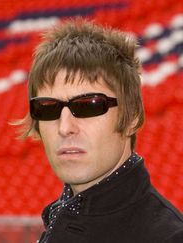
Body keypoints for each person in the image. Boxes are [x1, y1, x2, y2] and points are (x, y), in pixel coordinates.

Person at [17, 19, 183, 243]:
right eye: (47, 108)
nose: (65, 128)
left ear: (132, 116)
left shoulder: (169, 236)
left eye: (88, 105)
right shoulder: (63, 215)